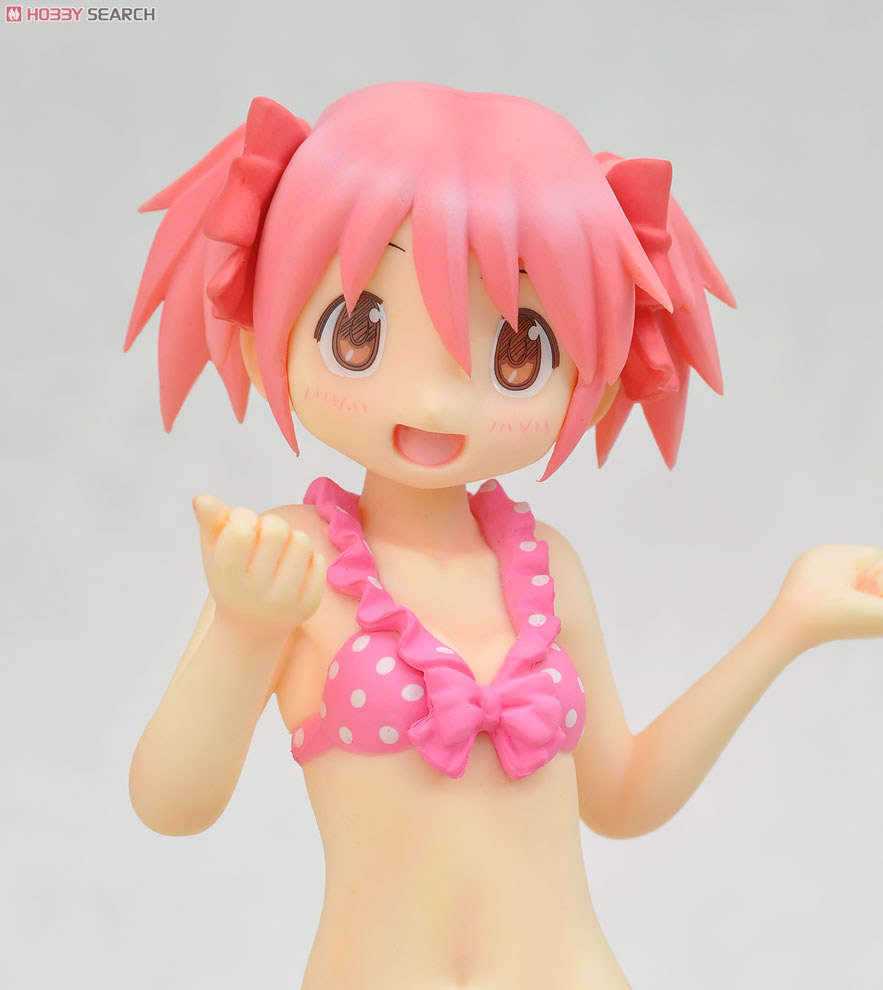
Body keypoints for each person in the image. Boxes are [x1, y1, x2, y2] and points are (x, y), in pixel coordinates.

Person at [127, 82, 883, 990]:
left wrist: (788, 625)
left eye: (517, 353)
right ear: (264, 336)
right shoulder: (293, 566)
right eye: (358, 331)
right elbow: (170, 804)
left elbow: (622, 797)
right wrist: (244, 630)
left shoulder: (544, 567)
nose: (436, 400)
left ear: (595, 383)